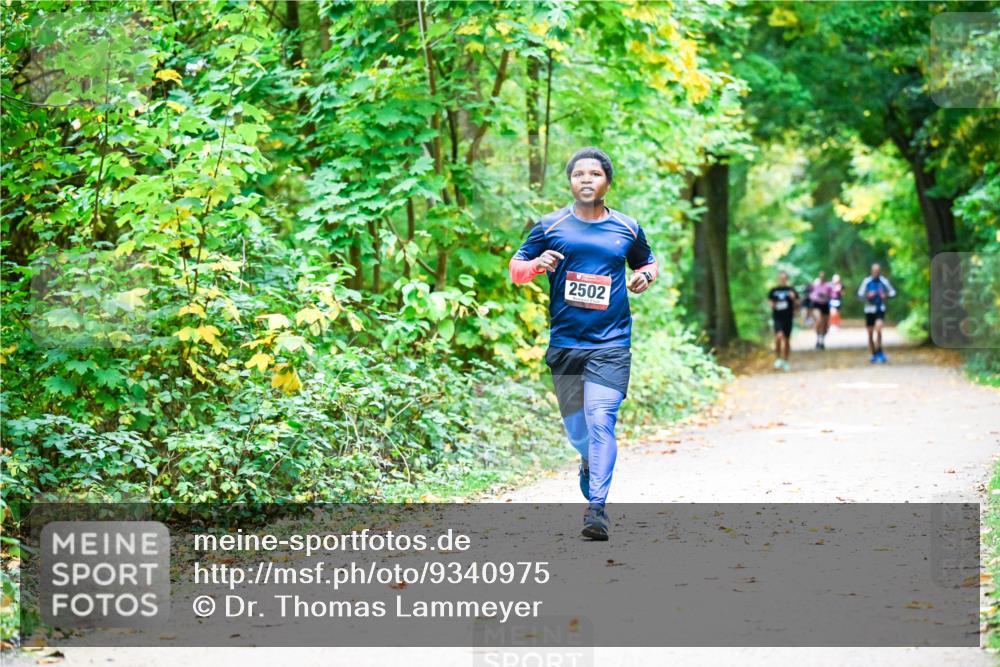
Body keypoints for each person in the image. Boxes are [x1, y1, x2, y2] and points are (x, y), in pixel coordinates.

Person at [508, 147, 657, 541]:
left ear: (607, 182)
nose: (586, 179)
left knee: (601, 417)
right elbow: (516, 269)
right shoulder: (550, 226)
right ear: (570, 182)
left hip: (611, 343)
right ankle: (589, 463)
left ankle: (597, 509)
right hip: (566, 343)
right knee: (578, 432)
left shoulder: (626, 227)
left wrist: (645, 276)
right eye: (579, 174)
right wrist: (536, 265)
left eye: (595, 173)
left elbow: (647, 261)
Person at [857, 263, 897, 363]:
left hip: (880, 308)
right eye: (875, 271)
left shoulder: (884, 281)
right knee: (870, 333)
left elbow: (893, 292)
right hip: (869, 309)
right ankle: (873, 353)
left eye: (878, 271)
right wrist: (867, 295)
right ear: (871, 271)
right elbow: (860, 294)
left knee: (879, 329)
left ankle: (880, 350)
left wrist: (886, 295)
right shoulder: (867, 281)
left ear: (880, 271)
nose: (876, 273)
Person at [768, 271, 799, 372]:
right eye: (781, 278)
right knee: (778, 337)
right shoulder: (773, 290)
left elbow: (798, 304)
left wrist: (793, 299)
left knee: (786, 340)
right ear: (778, 278)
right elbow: (770, 303)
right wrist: (772, 305)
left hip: (788, 317)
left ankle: (785, 360)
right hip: (777, 317)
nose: (782, 279)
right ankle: (778, 358)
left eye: (784, 278)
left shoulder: (791, 290)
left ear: (787, 279)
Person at [808, 271, 831, 349]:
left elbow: (832, 295)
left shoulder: (828, 286)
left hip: (825, 305)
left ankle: (821, 341)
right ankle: (818, 339)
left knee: (824, 324)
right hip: (816, 304)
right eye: (820, 276)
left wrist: (826, 296)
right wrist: (816, 296)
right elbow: (810, 294)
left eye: (823, 276)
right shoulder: (815, 284)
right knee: (819, 321)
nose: (822, 278)